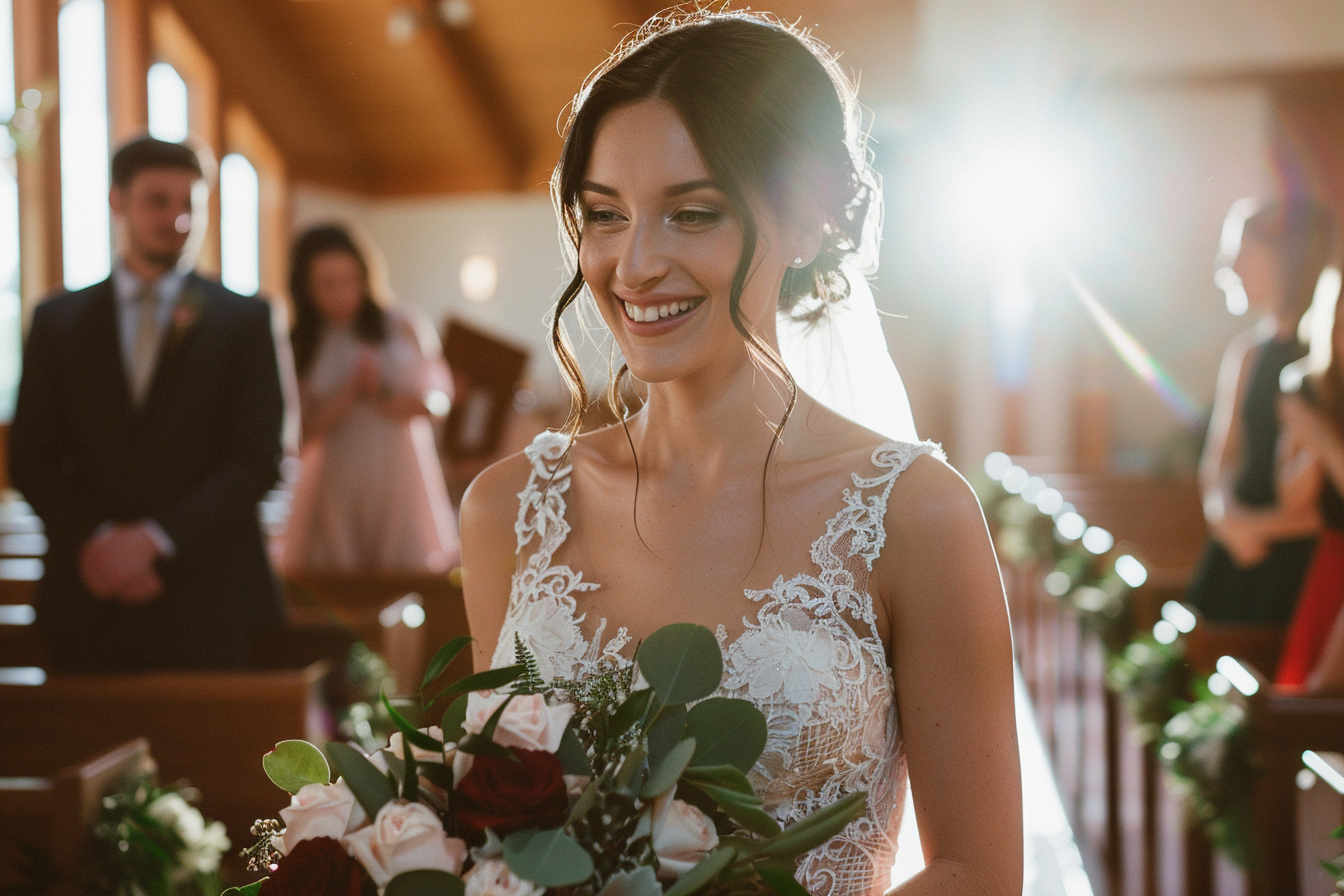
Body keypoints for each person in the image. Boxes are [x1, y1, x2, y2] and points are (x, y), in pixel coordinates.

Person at [460, 11, 1021, 896]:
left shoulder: (916, 514)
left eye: (692, 213)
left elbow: (977, 873)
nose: (634, 264)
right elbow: (496, 828)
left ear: (807, 220)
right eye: (605, 215)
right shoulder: (508, 509)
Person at [8, 136, 286, 671]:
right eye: (158, 201)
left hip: (209, 593)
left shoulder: (244, 320)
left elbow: (257, 458)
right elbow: (32, 458)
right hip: (89, 593)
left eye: (189, 205)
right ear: (118, 201)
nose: (177, 220)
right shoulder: (57, 321)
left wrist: (155, 539)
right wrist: (100, 543)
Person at [279, 224, 459, 574]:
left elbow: (439, 403)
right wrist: (348, 393)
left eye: (351, 280)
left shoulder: (402, 323)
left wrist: (382, 394)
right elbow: (298, 434)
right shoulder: (300, 344)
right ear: (305, 288)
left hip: (399, 474)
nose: (343, 294)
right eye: (328, 284)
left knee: (406, 576)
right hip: (333, 482)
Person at [1186, 200, 1334, 626]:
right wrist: (1226, 517)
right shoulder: (1248, 353)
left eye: (1242, 254)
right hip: (1238, 549)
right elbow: (1220, 459)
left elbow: (1328, 495)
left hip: (1301, 562)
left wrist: (1261, 527)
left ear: (1286, 259)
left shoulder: (1325, 356)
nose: (1227, 267)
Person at [1276, 265, 1344, 693]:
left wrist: (1321, 435)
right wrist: (1316, 438)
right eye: (1339, 326)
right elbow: (1292, 500)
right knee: (1311, 701)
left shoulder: (1312, 416)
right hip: (1333, 563)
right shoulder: (1308, 387)